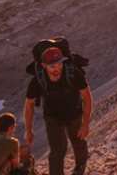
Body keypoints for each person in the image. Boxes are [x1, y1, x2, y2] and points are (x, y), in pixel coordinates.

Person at [23, 47, 92, 175]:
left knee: (78, 142)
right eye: (52, 66)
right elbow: (29, 105)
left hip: (74, 114)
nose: (57, 68)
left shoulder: (73, 73)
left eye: (59, 64)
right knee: (57, 149)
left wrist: (85, 124)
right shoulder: (38, 80)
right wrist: (28, 130)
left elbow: (87, 97)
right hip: (53, 117)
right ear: (44, 65)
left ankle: (80, 168)